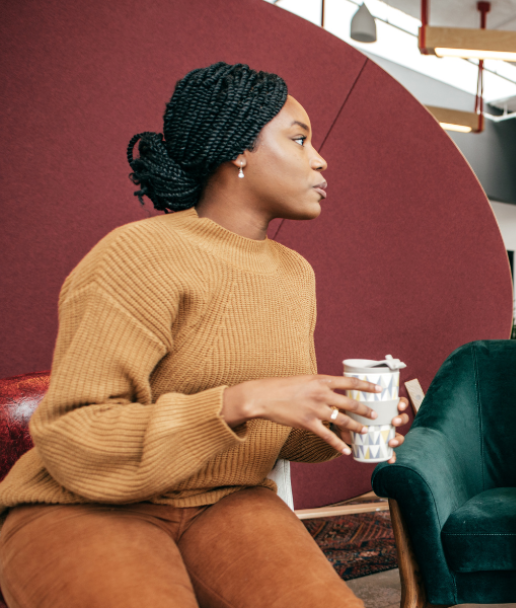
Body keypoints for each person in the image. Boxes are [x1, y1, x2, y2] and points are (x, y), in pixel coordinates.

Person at [0, 63, 409, 608]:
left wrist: (339, 418)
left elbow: (276, 433)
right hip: (84, 504)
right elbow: (74, 436)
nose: (319, 158)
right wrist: (242, 400)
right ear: (238, 149)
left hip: (229, 502)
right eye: (300, 139)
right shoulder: (138, 253)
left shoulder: (294, 273)